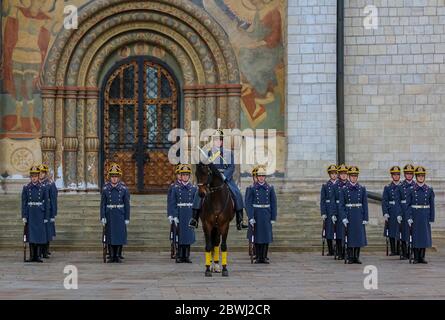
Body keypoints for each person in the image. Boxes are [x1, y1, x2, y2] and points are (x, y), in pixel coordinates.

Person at [189, 129, 247, 230]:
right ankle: (194, 218)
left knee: (237, 193)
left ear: (222, 141)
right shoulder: (208, 153)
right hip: (211, 178)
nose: (218, 142)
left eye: (220, 140)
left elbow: (231, 167)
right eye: (216, 140)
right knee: (198, 194)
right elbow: (203, 167)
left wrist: (224, 176)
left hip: (225, 178)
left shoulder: (229, 153)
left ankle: (240, 220)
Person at [245, 165, 277, 263]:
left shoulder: (270, 188)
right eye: (259, 176)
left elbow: (274, 203)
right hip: (256, 214)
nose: (261, 177)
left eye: (263, 176)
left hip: (266, 214)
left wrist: (273, 217)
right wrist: (250, 217)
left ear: (265, 177)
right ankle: (258, 257)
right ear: (257, 177)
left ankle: (264, 257)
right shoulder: (251, 188)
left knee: (266, 236)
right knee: (257, 236)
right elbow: (248, 203)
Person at [100, 163, 130, 263]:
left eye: (116, 176)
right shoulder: (105, 189)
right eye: (112, 176)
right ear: (110, 177)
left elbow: (127, 204)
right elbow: (103, 204)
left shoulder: (124, 189)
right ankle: (112, 255)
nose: (114, 179)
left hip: (120, 214)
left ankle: (117, 255)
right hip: (110, 214)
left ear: (119, 177)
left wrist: (127, 218)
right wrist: (103, 216)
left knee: (119, 235)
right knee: (110, 235)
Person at [339, 166, 368, 264]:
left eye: (355, 176)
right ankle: (350, 256)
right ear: (349, 177)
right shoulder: (344, 189)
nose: (354, 178)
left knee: (358, 236)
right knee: (350, 236)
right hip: (349, 214)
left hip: (359, 214)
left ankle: (357, 256)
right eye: (352, 176)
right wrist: (343, 217)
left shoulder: (362, 189)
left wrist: (365, 217)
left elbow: (365, 204)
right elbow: (341, 205)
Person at [21, 165, 50, 263]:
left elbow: (46, 203)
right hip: (30, 213)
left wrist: (46, 217)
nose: (34, 178)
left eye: (36, 176)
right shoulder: (26, 188)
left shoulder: (43, 188)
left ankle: (37, 256)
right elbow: (24, 203)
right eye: (32, 176)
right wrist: (24, 216)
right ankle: (32, 255)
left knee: (38, 235)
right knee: (30, 235)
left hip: (39, 213)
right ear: (30, 177)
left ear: (38, 177)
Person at [407, 166, 435, 264]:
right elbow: (408, 205)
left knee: (424, 236)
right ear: (416, 177)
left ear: (424, 177)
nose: (420, 178)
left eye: (422, 176)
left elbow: (432, 205)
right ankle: (416, 257)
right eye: (419, 176)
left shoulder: (429, 190)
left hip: (425, 216)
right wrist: (409, 217)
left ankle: (422, 257)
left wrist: (432, 217)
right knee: (415, 236)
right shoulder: (411, 190)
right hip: (415, 215)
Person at [171, 164, 197, 263]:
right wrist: (174, 216)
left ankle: (186, 256)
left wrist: (195, 216)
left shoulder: (193, 188)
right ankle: (180, 255)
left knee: (188, 236)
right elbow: (173, 203)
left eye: (187, 175)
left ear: (189, 176)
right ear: (180, 176)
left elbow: (196, 204)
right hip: (180, 213)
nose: (185, 176)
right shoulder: (176, 188)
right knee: (180, 236)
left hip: (189, 213)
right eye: (183, 175)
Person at [38, 164, 58, 258]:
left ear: (45, 173)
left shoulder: (50, 183)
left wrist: (53, 212)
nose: (41, 174)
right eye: (40, 172)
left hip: (48, 210)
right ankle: (40, 250)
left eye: (42, 172)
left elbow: (53, 198)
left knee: (47, 230)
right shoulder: (37, 183)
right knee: (40, 231)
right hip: (39, 210)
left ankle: (45, 250)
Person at [382, 166, 402, 256]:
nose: (396, 176)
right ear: (392, 176)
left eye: (398, 174)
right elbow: (384, 201)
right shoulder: (388, 188)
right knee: (391, 231)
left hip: (400, 211)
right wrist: (385, 212)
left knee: (400, 230)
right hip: (391, 211)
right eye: (394, 175)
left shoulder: (403, 187)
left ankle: (399, 249)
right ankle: (393, 250)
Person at [320, 164, 338, 256]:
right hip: (328, 210)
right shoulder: (326, 185)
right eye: (332, 174)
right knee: (329, 230)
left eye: (335, 173)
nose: (334, 175)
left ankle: (338, 249)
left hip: (337, 210)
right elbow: (322, 200)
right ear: (329, 175)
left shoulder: (340, 185)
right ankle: (330, 249)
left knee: (337, 230)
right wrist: (323, 212)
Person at [398, 164, 416, 259]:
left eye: (410, 174)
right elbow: (398, 202)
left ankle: (413, 252)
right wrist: (399, 214)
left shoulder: (416, 186)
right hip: (404, 212)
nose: (409, 175)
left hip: (414, 212)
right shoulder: (401, 186)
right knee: (404, 233)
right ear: (404, 175)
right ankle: (405, 253)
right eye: (407, 173)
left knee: (414, 233)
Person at [333, 164, 349, 259]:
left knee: (347, 233)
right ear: (339, 175)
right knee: (339, 233)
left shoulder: (349, 185)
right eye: (341, 174)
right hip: (338, 212)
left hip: (347, 211)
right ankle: (340, 252)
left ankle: (347, 252)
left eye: (345, 174)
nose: (343, 175)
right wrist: (333, 213)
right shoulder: (335, 186)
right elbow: (333, 201)